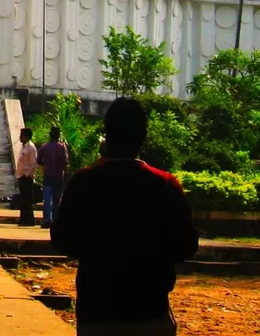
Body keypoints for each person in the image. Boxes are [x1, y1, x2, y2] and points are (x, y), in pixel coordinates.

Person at [52, 97, 198, 336]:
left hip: (96, 308)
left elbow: (62, 239)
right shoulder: (165, 185)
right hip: (149, 307)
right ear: (143, 135)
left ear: (107, 134)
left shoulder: (84, 182)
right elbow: (187, 244)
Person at [37, 126, 69, 228]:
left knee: (47, 199)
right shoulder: (62, 147)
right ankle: (55, 220)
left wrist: (45, 164)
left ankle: (47, 220)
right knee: (56, 199)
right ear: (58, 136)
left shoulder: (44, 147)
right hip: (58, 176)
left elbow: (38, 160)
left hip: (48, 175)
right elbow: (65, 162)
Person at [15, 127, 38, 226]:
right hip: (21, 175)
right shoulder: (24, 147)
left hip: (26, 176)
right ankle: (24, 218)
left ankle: (28, 219)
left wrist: (28, 174)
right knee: (24, 199)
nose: (20, 137)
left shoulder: (31, 147)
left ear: (27, 137)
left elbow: (34, 163)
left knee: (27, 199)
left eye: (22, 135)